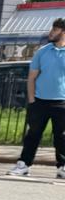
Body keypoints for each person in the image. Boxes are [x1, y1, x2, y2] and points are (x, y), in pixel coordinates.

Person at [8, 17, 65, 178]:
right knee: (33, 134)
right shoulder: (43, 52)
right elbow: (32, 77)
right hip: (39, 101)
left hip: (62, 102)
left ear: (63, 32)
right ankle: (24, 164)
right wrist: (32, 100)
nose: (51, 32)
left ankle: (63, 167)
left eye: (55, 30)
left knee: (62, 136)